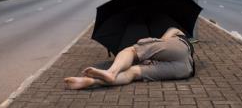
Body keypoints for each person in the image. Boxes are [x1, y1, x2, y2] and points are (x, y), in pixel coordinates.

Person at [64, 27, 195, 90]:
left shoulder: (176, 31)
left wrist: (147, 50)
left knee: (132, 50)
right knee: (132, 73)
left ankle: (111, 72)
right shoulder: (187, 47)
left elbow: (164, 40)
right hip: (186, 69)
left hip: (179, 47)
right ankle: (91, 82)